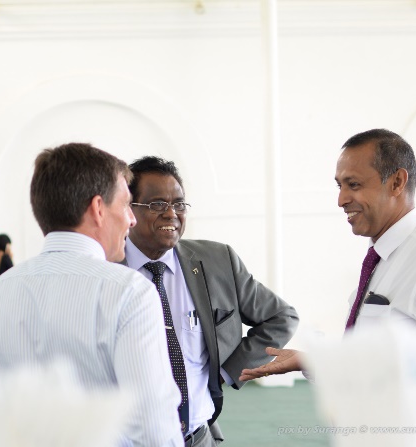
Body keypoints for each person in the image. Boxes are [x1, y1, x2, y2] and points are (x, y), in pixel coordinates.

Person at [240, 129, 416, 447]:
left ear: (397, 182)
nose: (341, 199)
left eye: (353, 185)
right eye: (340, 186)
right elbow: (381, 369)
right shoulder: (381, 260)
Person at [0, 143, 183, 446]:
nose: (131, 219)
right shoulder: (129, 292)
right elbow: (154, 426)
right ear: (98, 209)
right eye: (126, 205)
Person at [123, 156, 299, 446]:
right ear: (129, 210)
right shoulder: (106, 271)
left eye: (179, 204)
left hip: (198, 436)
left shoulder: (217, 261)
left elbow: (281, 316)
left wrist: (227, 371)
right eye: (157, 204)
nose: (171, 214)